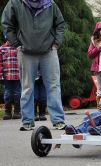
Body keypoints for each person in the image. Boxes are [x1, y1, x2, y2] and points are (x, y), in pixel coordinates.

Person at [2, 0, 66, 131]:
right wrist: (17, 45)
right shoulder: (15, 3)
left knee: (54, 85)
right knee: (27, 87)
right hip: (25, 52)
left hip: (49, 50)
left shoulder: (50, 4)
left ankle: (58, 120)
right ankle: (27, 121)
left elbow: (60, 23)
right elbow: (7, 24)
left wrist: (56, 44)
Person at [0, 36, 21, 120]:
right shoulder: (2, 48)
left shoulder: (18, 47)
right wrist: (1, 74)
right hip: (7, 75)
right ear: (6, 38)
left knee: (17, 93)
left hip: (17, 74)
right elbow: (0, 63)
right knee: (7, 93)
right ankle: (7, 112)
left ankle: (17, 112)